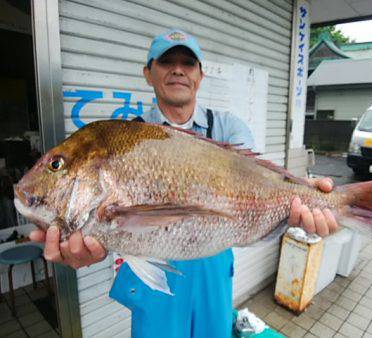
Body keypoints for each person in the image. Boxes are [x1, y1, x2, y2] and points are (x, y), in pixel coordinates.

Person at [30, 29, 338, 337]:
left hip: (214, 267)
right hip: (151, 269)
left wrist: (304, 196)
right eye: (166, 61)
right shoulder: (123, 137)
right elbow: (115, 227)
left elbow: (263, 184)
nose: (178, 69)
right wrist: (90, 242)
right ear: (148, 73)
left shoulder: (228, 128)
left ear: (200, 76)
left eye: (188, 63)